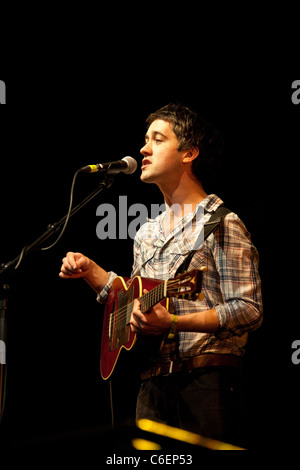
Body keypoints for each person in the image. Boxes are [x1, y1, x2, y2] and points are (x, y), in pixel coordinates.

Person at [59, 103, 263, 447]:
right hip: (151, 386)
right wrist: (95, 274)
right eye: (145, 140)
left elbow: (248, 309)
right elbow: (135, 300)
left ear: (190, 153)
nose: (143, 149)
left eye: (157, 139)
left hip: (207, 383)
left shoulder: (221, 222)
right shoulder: (146, 233)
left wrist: (175, 324)